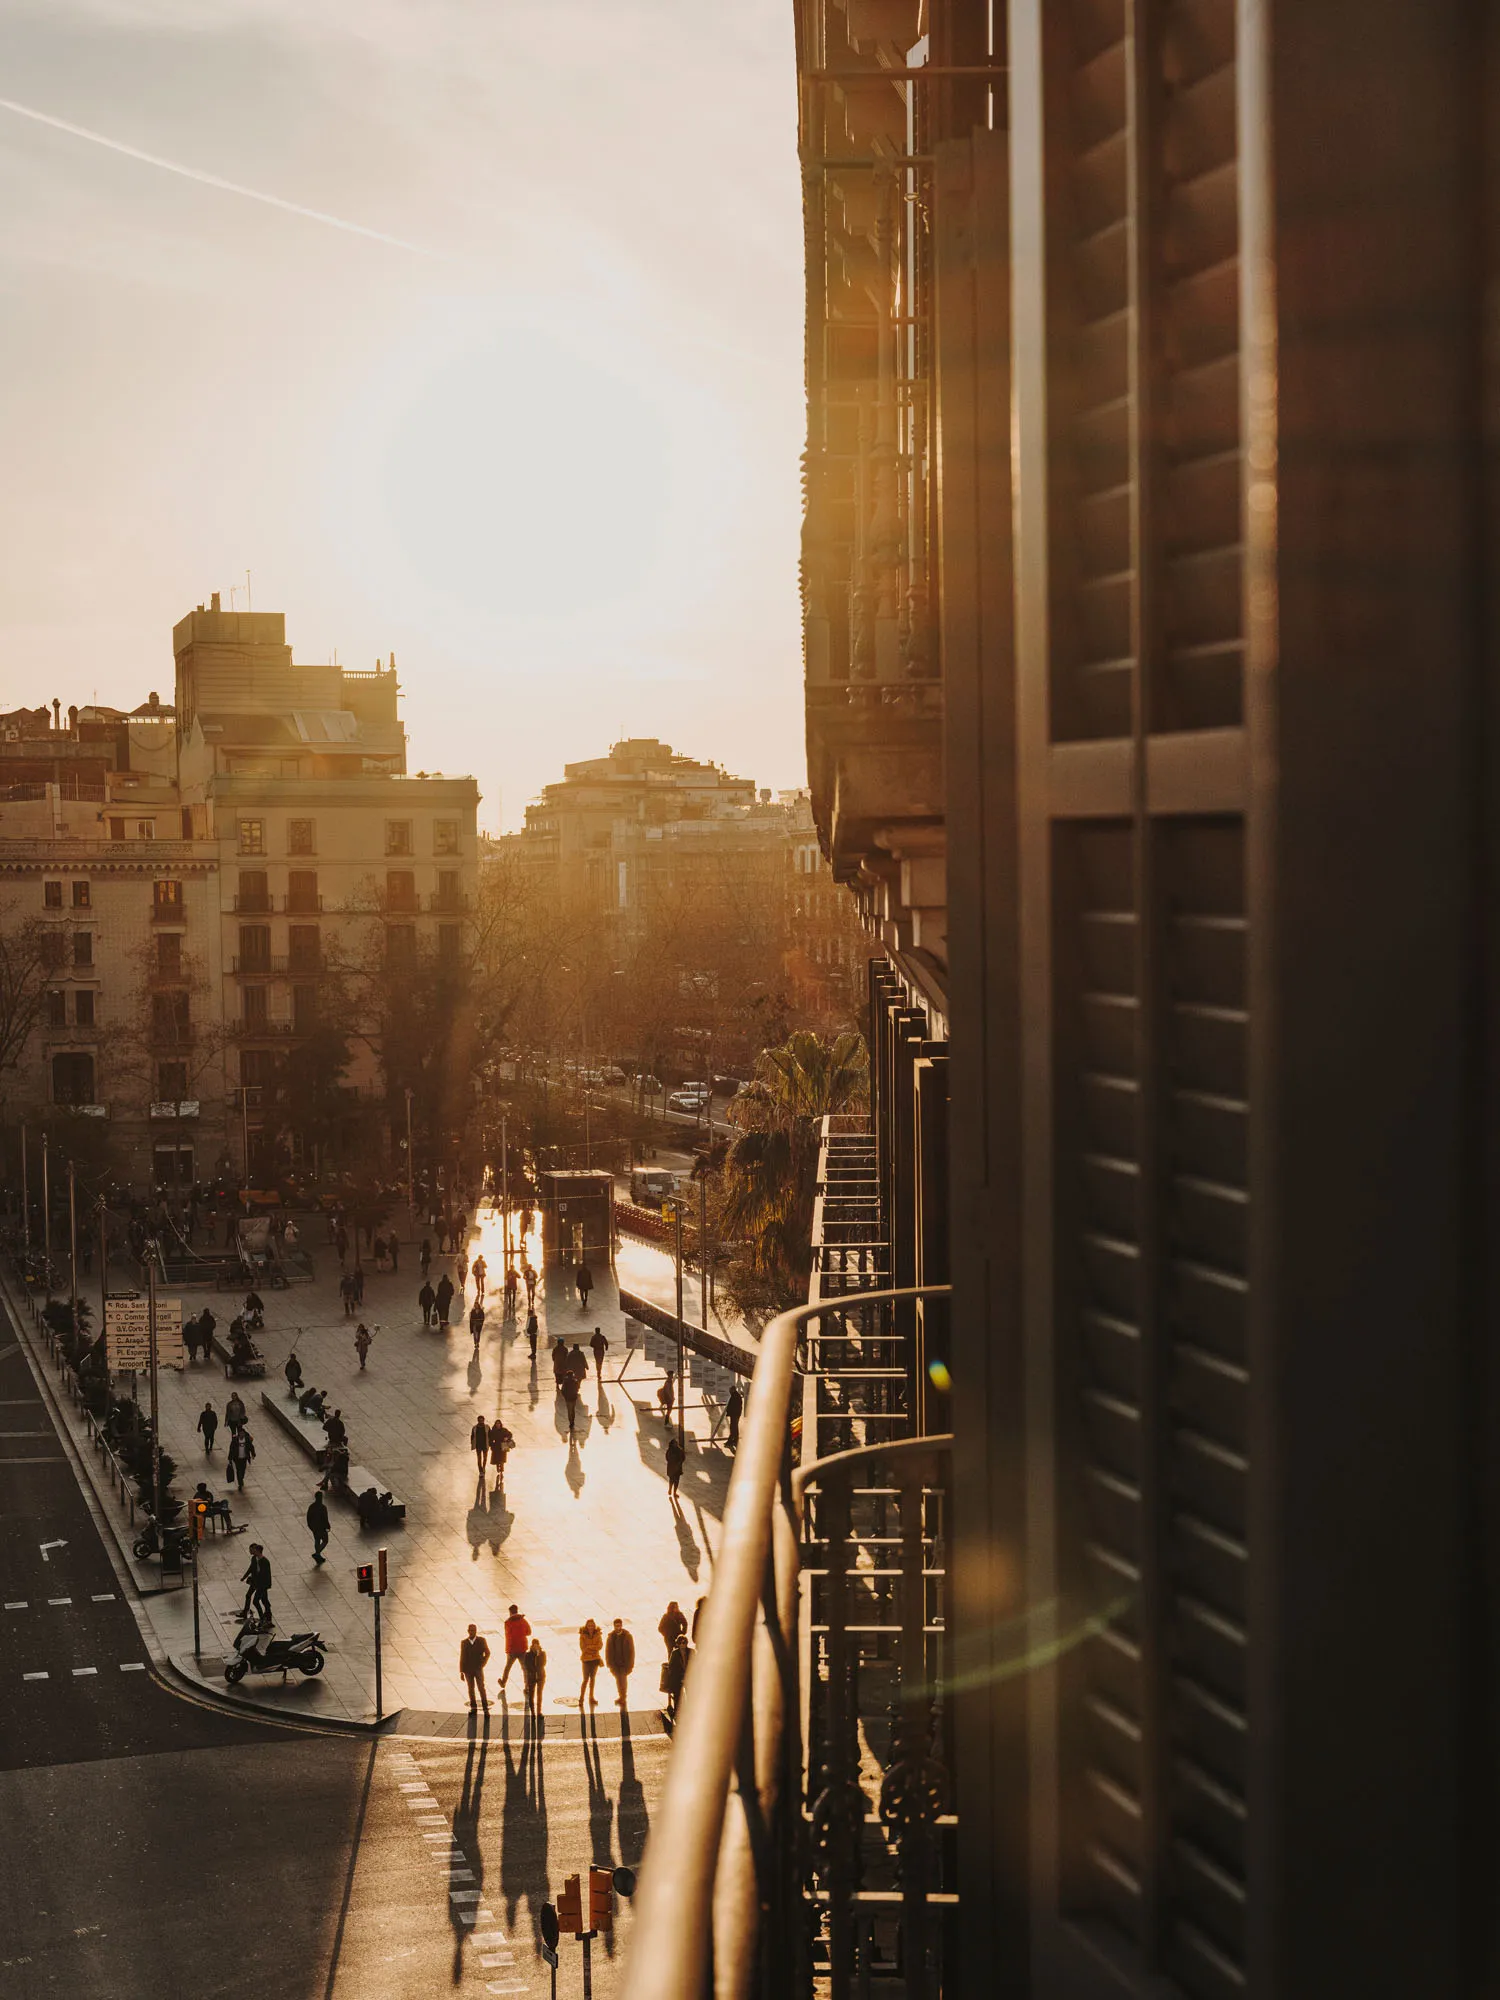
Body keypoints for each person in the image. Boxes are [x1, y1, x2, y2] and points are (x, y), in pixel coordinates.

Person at [459, 1623, 491, 1712]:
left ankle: (485, 1706)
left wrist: (483, 1663)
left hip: (478, 1669)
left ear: (476, 1631)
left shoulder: (481, 1640)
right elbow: (462, 1657)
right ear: (468, 1631)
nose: (472, 1632)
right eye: (470, 1630)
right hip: (468, 1670)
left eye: (474, 1630)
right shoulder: (464, 1643)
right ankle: (473, 1707)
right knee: (470, 1688)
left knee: (481, 1687)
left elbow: (487, 1653)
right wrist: (461, 1671)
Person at [605, 1616, 635, 1709]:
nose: (617, 1628)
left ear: (621, 1626)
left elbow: (632, 1651)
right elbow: (607, 1650)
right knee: (618, 1681)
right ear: (614, 1626)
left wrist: (631, 1664)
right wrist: (609, 1663)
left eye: (619, 1626)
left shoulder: (627, 1636)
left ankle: (623, 1697)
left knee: (623, 1680)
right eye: (616, 1626)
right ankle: (621, 1696)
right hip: (615, 1664)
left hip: (624, 1663)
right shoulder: (611, 1637)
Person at [500, 1604, 531, 1689]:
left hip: (512, 1649)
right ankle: (527, 1686)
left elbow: (508, 1635)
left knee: (508, 1667)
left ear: (510, 1612)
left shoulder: (507, 1622)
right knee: (525, 1668)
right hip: (522, 1648)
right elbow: (529, 1632)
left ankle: (503, 1682)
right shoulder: (523, 1621)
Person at [241, 1543, 272, 1623]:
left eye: (253, 1550)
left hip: (261, 1585)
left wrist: (265, 1586)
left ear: (258, 1551)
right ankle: (265, 1616)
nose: (252, 1551)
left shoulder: (265, 1562)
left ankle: (265, 1617)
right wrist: (245, 1577)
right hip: (255, 1583)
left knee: (262, 1601)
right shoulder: (254, 1558)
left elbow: (266, 1575)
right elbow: (251, 1568)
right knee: (258, 1599)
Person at [664, 1632, 690, 1720]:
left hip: (689, 1677)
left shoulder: (691, 1652)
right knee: (678, 1696)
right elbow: (672, 1667)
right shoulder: (675, 1653)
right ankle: (678, 1713)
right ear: (678, 1644)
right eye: (681, 1643)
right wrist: (679, 1678)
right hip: (678, 1678)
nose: (683, 1645)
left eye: (685, 1642)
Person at [579, 1618, 603, 1708]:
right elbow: (583, 1648)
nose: (591, 1627)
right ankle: (581, 1698)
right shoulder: (582, 1635)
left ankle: (591, 1697)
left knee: (592, 1679)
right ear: (586, 1626)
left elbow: (600, 1646)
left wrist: (589, 1647)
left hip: (595, 1660)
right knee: (585, 1679)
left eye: (592, 1625)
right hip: (586, 1660)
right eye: (589, 1625)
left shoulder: (598, 1634)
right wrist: (593, 1648)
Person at [522, 1635, 547, 1714]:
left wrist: (538, 1655)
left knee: (539, 1695)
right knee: (531, 1695)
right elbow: (527, 1666)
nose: (536, 1647)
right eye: (534, 1645)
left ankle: (539, 1712)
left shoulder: (542, 1654)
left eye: (537, 1645)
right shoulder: (528, 1655)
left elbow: (543, 1664)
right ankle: (533, 1712)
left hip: (541, 1676)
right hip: (531, 1677)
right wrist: (534, 1670)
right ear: (532, 1646)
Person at [227, 1425, 255, 1490]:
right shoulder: (235, 1440)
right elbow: (231, 1449)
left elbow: (251, 1447)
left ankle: (241, 1478)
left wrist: (253, 1454)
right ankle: (240, 1482)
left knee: (243, 1470)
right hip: (237, 1458)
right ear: (239, 1434)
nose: (242, 1435)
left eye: (243, 1434)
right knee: (238, 1470)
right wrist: (230, 1458)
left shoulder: (247, 1440)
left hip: (244, 1458)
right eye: (241, 1433)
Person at [306, 1490, 330, 1565]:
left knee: (317, 1540)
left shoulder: (312, 1507)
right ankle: (317, 1553)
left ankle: (318, 1554)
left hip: (314, 1527)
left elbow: (308, 1517)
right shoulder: (323, 1507)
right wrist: (328, 1526)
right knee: (325, 1540)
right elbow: (325, 1518)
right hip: (321, 1528)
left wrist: (310, 1526)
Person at [488, 1417, 513, 1485]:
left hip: (503, 1445)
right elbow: (490, 1438)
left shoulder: (504, 1430)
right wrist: (491, 1444)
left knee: (502, 1459)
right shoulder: (493, 1431)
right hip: (496, 1446)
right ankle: (498, 1467)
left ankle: (501, 1470)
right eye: (497, 1424)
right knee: (497, 1459)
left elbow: (510, 1434)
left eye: (499, 1424)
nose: (498, 1425)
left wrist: (506, 1438)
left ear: (500, 1424)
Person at [665, 1432, 685, 1500]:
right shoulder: (670, 1450)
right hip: (672, 1467)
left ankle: (674, 1492)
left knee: (676, 1481)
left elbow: (683, 1457)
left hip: (677, 1468)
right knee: (672, 1480)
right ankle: (670, 1489)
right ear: (672, 1444)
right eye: (675, 1443)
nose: (676, 1444)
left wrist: (679, 1462)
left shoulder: (680, 1450)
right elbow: (667, 1458)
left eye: (676, 1443)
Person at [724, 1382, 743, 1452]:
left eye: (730, 1390)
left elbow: (733, 1406)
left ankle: (730, 1441)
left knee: (733, 1427)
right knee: (735, 1426)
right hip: (736, 1414)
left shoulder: (735, 1396)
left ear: (732, 1390)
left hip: (734, 1415)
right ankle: (735, 1439)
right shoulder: (736, 1395)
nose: (729, 1391)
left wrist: (730, 1412)